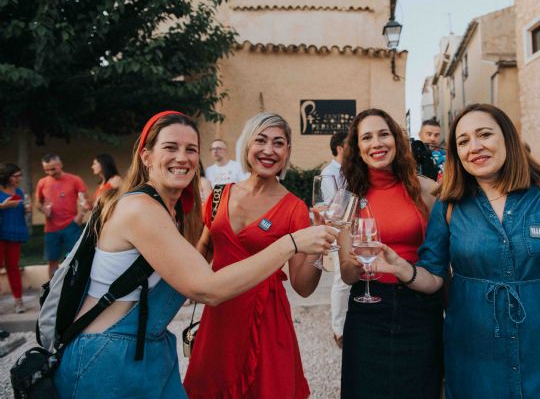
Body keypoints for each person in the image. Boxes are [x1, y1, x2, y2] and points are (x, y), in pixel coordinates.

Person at [53, 111, 337, 398]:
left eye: (191, 150)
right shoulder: (145, 208)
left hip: (154, 342)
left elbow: (195, 259)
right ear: (146, 156)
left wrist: (319, 244)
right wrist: (290, 242)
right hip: (113, 348)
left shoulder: (169, 210)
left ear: (288, 152)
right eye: (170, 147)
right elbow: (207, 282)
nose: (183, 158)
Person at [376, 103, 540, 399]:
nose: (475, 147)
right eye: (463, 141)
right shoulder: (449, 203)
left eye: (484, 135)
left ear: (507, 137)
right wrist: (402, 268)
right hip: (473, 355)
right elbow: (433, 276)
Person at [184, 112, 330, 399]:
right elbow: (205, 248)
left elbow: (302, 286)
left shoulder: (294, 208)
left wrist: (320, 249)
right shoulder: (218, 195)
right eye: (261, 140)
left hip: (265, 321)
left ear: (287, 152)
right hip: (220, 317)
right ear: (247, 146)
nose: (269, 150)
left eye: (279, 143)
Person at [336, 108, 443, 399]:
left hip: (420, 307)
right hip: (368, 308)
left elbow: (445, 257)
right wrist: (357, 264)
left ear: (396, 139)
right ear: (358, 148)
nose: (376, 143)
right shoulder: (349, 199)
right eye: (366, 137)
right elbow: (346, 273)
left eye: (383, 134)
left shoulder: (426, 190)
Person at [35, 154, 90, 278]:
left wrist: (79, 217)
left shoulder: (75, 179)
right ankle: (53, 291)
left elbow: (84, 200)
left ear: (60, 165)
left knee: (76, 259)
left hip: (71, 225)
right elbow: (38, 203)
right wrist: (43, 209)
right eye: (46, 170)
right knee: (52, 261)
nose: (50, 172)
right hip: (51, 228)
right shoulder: (42, 182)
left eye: (53, 169)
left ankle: (74, 289)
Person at [320, 131, 350, 348]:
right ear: (340, 147)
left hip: (355, 230)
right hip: (339, 231)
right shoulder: (328, 173)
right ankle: (338, 329)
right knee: (341, 280)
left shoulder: (353, 170)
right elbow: (334, 205)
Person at [0, 163, 30, 313]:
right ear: (6, 176)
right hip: (1, 233)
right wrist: (2, 206)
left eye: (20, 175)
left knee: (13, 268)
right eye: (16, 176)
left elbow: (21, 210)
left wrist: (26, 209)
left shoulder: (20, 192)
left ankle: (19, 302)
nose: (19, 178)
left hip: (15, 233)